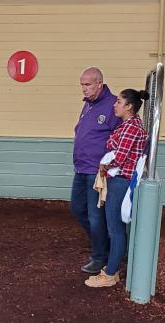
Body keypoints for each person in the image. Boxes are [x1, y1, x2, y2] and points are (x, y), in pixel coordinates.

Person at [85, 89, 148, 287]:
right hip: (120, 177)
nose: (115, 104)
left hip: (121, 180)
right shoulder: (128, 124)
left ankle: (111, 273)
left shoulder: (130, 127)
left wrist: (105, 165)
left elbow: (118, 156)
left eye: (119, 102)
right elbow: (110, 141)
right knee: (117, 228)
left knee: (115, 229)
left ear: (129, 106)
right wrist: (113, 147)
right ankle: (113, 268)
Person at [71, 67, 121, 274]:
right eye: (82, 84)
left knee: (95, 215)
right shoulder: (88, 105)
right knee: (77, 208)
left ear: (99, 83)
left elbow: (118, 138)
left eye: (88, 84)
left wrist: (108, 165)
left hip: (97, 171)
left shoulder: (113, 105)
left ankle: (100, 256)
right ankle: (104, 245)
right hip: (81, 168)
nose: (83, 88)